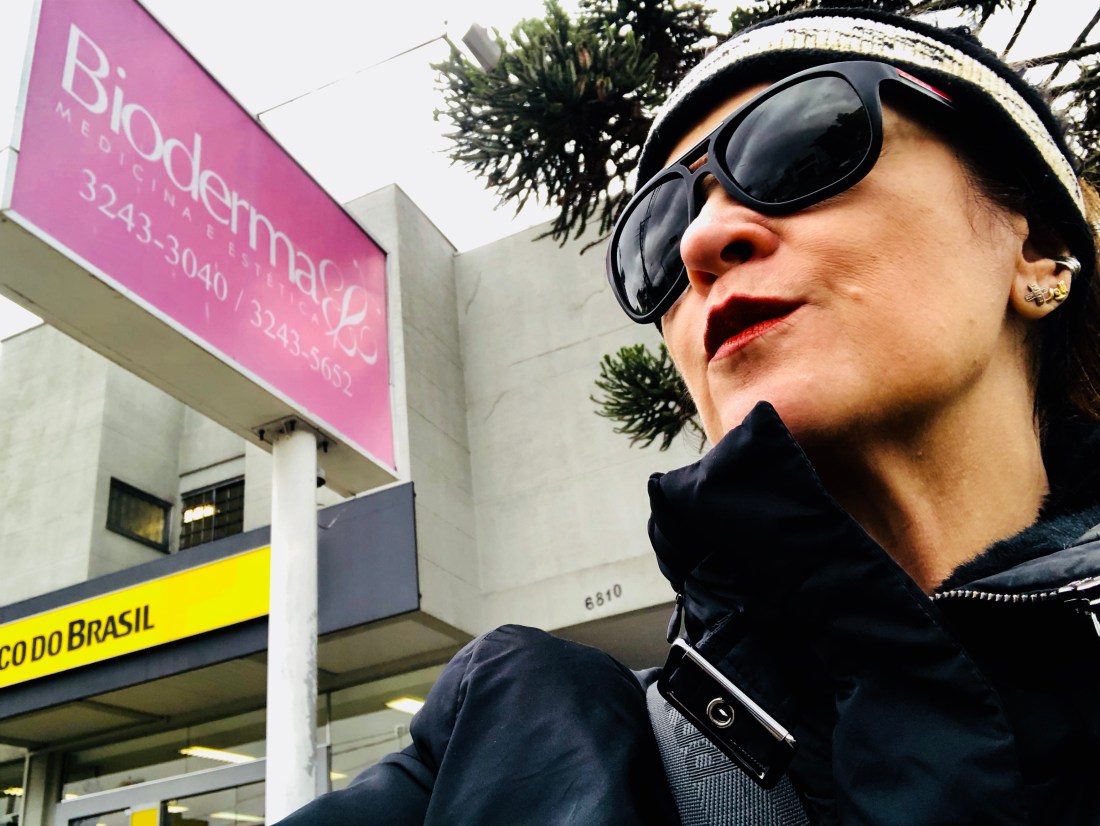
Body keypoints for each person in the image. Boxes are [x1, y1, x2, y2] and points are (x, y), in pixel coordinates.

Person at [276, 7, 1100, 825]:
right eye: (658, 233)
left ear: (1034, 249)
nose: (700, 242)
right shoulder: (500, 738)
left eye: (800, 147)